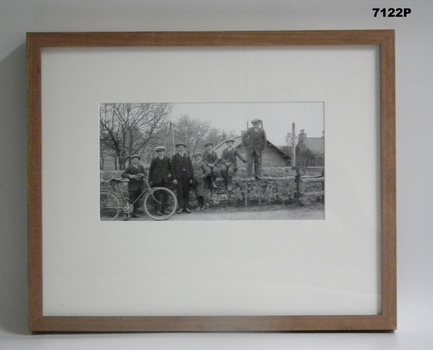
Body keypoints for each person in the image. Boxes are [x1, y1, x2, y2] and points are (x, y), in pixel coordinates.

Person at [121, 154, 146, 220]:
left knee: (137, 200)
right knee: (130, 200)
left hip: (140, 186)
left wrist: (142, 174)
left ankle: (134, 213)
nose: (136, 161)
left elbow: (145, 174)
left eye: (137, 160)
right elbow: (123, 174)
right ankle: (126, 214)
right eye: (134, 160)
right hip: (132, 186)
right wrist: (130, 176)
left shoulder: (141, 167)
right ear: (132, 161)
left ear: (139, 161)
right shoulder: (130, 167)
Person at [148, 146, 172, 216]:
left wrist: (170, 174)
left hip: (165, 180)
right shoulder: (154, 160)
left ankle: (164, 209)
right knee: (156, 195)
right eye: (159, 152)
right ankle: (157, 210)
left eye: (161, 151)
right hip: (156, 180)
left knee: (165, 195)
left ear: (164, 152)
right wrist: (151, 180)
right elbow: (151, 170)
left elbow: (170, 168)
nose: (160, 153)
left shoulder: (167, 159)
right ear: (157, 153)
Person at [171, 142, 194, 214]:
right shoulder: (174, 156)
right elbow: (172, 168)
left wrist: (191, 178)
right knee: (179, 192)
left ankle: (186, 207)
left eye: (182, 147)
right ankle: (180, 207)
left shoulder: (187, 156)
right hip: (178, 177)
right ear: (177, 149)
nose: (181, 149)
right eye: (179, 147)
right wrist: (174, 178)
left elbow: (190, 168)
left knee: (186, 192)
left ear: (184, 148)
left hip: (186, 176)